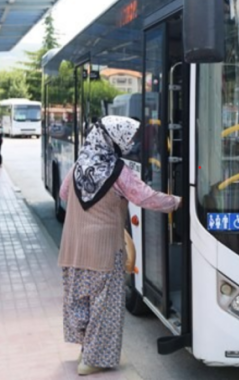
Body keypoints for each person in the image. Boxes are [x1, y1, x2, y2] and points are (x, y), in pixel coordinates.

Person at [58, 116, 181, 376]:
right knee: (104, 306)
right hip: (103, 249)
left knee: (82, 301)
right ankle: (93, 360)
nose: (130, 143)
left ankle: (86, 350)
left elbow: (64, 194)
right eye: (127, 138)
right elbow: (145, 197)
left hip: (73, 247)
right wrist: (177, 202)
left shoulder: (79, 164)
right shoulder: (118, 171)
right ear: (113, 140)